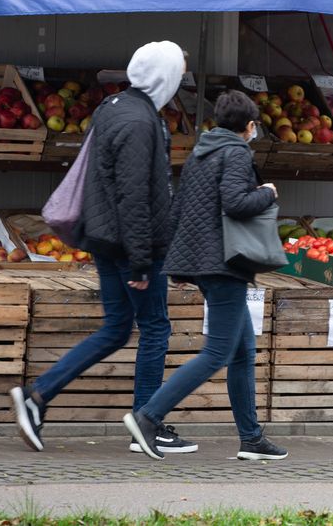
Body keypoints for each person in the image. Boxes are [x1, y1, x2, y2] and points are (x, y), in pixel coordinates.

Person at [11, 41, 193, 456]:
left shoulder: (113, 108)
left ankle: (37, 396)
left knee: (115, 328)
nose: (179, 82)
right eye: (177, 75)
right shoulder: (141, 123)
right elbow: (133, 195)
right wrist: (143, 262)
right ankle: (146, 421)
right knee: (154, 329)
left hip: (105, 238)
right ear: (164, 77)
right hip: (132, 244)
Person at [125, 90, 287, 461]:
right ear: (248, 126)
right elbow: (235, 202)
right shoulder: (236, 153)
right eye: (254, 126)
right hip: (225, 264)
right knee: (217, 353)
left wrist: (181, 265)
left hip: (206, 262)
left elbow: (178, 209)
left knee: (243, 351)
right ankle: (148, 417)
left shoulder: (201, 152)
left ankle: (251, 439)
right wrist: (266, 192)